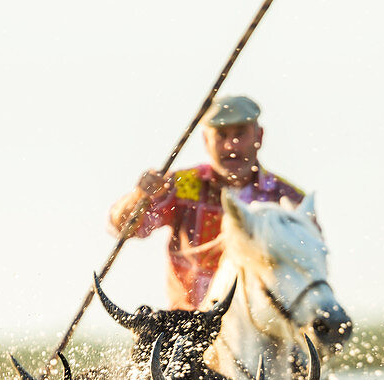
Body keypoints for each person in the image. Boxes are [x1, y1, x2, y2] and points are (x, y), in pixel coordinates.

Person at [109, 95, 308, 310]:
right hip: (189, 323)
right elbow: (123, 228)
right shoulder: (180, 186)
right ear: (205, 140)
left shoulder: (288, 200)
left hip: (266, 327)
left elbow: (310, 265)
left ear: (258, 136)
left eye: (240, 134)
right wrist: (140, 196)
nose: (231, 146)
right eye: (221, 135)